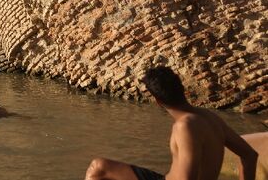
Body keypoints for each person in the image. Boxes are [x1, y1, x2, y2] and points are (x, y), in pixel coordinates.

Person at [84, 66, 258, 180]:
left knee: (98, 169)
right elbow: (250, 155)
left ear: (158, 101)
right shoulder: (210, 117)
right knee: (100, 166)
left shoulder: (185, 126)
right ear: (182, 89)